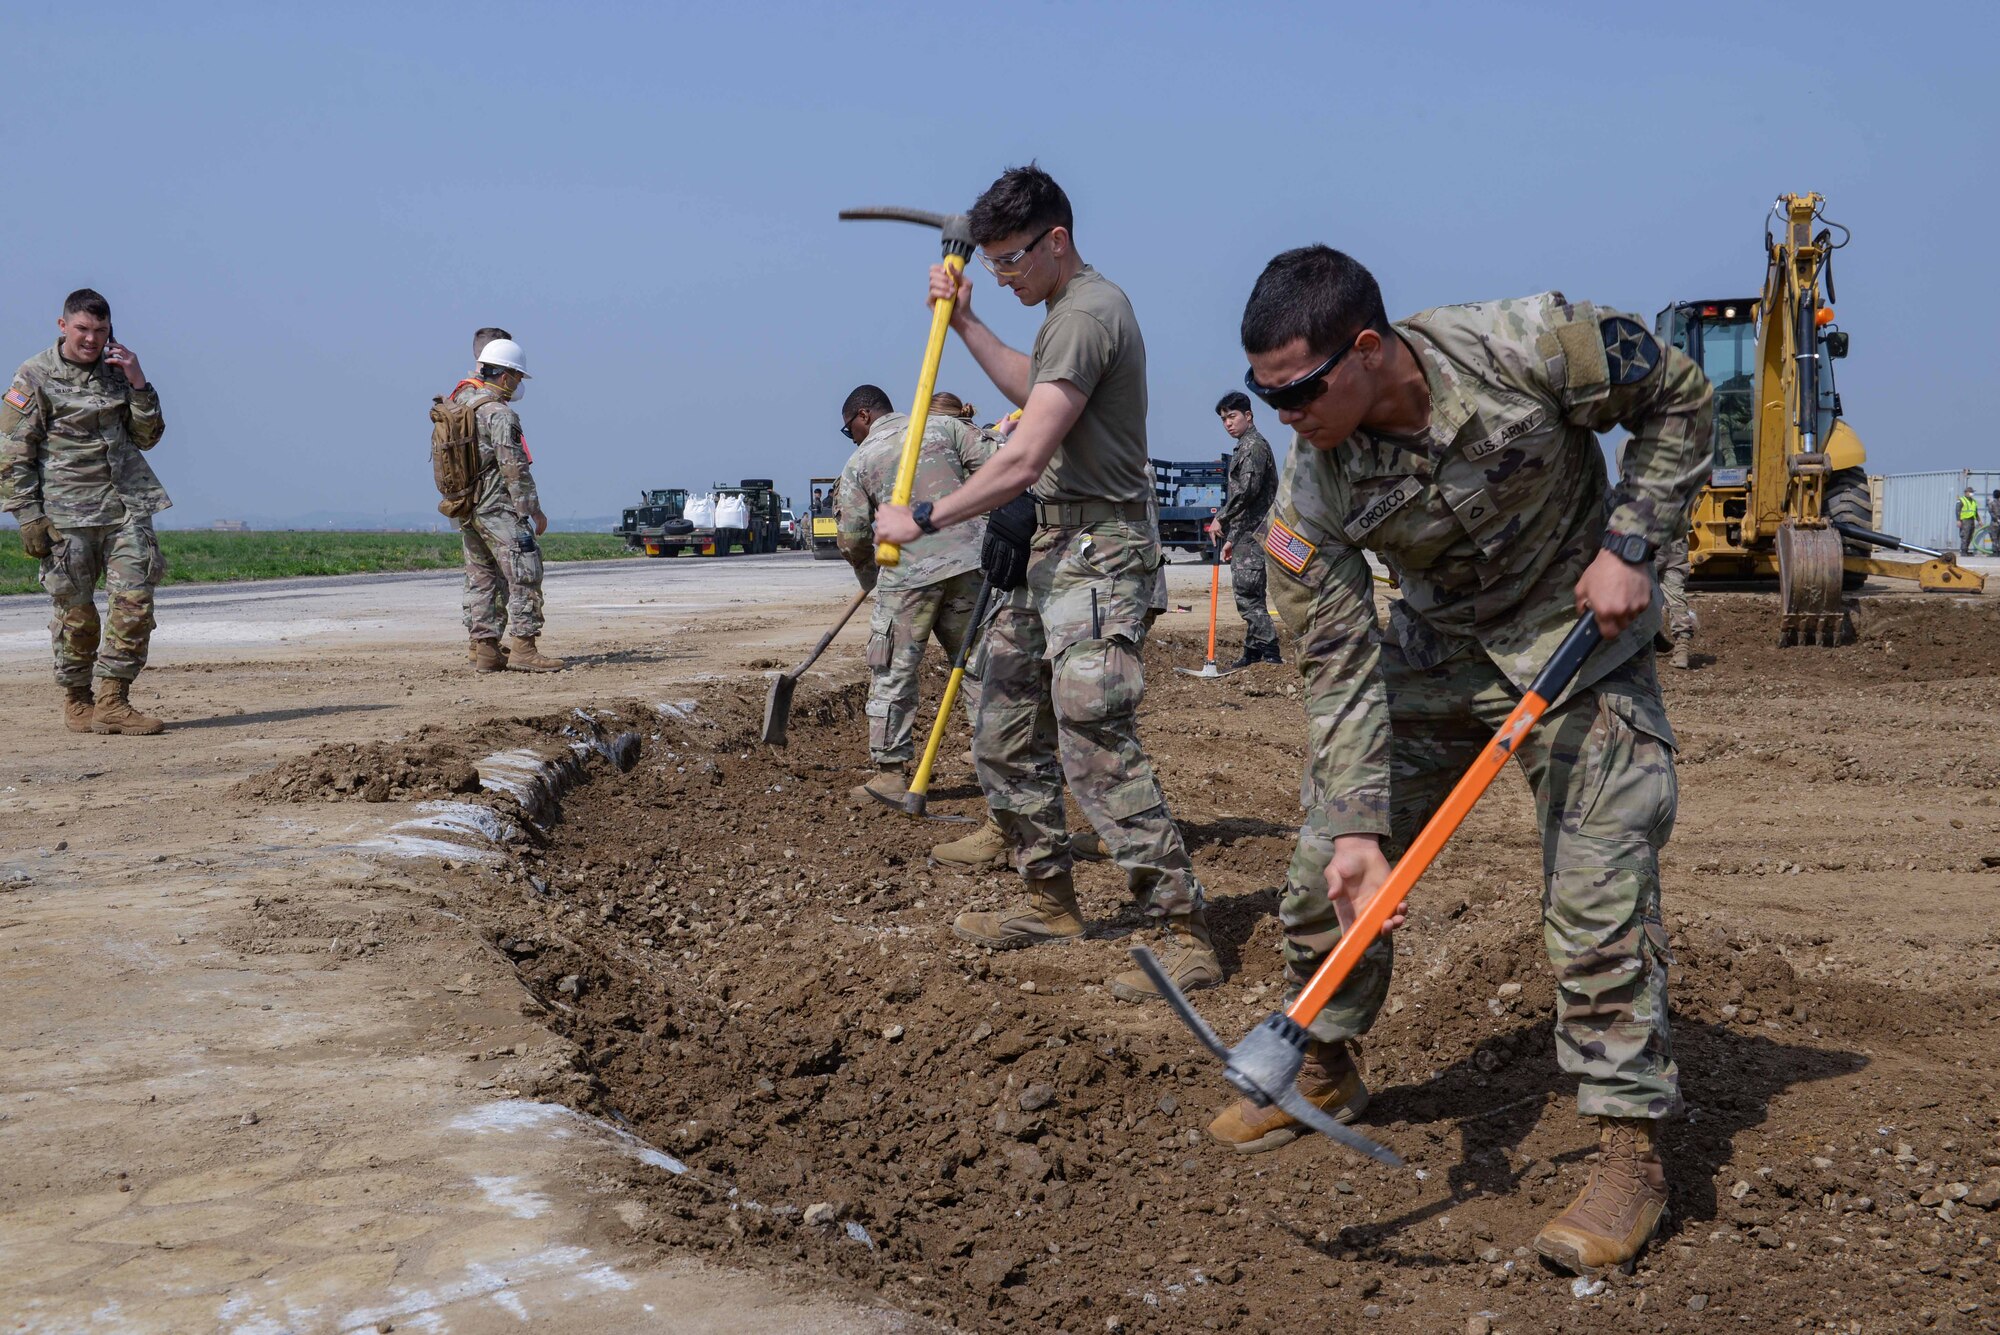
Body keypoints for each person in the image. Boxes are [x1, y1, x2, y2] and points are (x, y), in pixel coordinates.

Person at [1208, 246, 1712, 1277]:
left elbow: (1678, 394)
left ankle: (1628, 1154)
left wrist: (1632, 540)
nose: (1283, 412)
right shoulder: (1312, 492)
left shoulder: (1526, 345)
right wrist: (1356, 829)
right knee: (1318, 873)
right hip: (1437, 656)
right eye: (1266, 395)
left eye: (1297, 390)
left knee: (1594, 891)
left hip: (1578, 646)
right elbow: (1338, 665)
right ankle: (1329, 1063)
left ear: (1364, 351)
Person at [871, 163, 1218, 1001]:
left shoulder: (1094, 310)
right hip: (1054, 548)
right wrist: (965, 321)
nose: (1003, 273)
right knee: (1001, 723)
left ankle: (1183, 927)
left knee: (1092, 734)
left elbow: (1026, 453)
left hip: (1100, 550)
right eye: (989, 263)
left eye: (1011, 260)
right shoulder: (1062, 315)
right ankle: (1049, 898)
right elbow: (1034, 393)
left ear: (1056, 240)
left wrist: (922, 517)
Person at [2, 289, 171, 735]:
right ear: (63, 326)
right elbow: (12, 451)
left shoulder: (118, 372)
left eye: (100, 330)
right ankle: (78, 700)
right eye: (82, 329)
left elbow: (148, 436)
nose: (91, 339)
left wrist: (137, 381)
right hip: (65, 515)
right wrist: (27, 515)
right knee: (76, 615)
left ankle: (114, 699)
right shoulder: (34, 375)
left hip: (125, 506)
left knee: (134, 601)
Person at [834, 384, 996, 806]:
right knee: (980, 666)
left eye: (848, 427)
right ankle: (997, 761)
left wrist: (871, 579)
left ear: (864, 416)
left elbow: (852, 538)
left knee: (893, 671)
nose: (851, 435)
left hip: (907, 578)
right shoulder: (945, 427)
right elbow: (1000, 468)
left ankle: (890, 774)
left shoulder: (860, 460)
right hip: (969, 565)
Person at [448, 338, 564, 672]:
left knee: (482, 577)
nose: (516, 384)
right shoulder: (498, 413)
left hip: (467, 506)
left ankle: (485, 650)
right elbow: (514, 468)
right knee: (526, 571)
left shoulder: (460, 402)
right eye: (516, 377)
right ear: (506, 376)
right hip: (497, 507)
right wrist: (533, 511)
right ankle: (524, 649)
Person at [1208, 391, 1281, 667]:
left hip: (1256, 534)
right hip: (1246, 534)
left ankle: (1270, 649)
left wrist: (1222, 519)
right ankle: (1253, 652)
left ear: (1248, 416)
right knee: (1251, 592)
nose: (1228, 423)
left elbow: (1248, 491)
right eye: (1224, 419)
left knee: (1247, 595)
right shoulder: (1245, 446)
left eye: (1232, 416)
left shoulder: (1253, 447)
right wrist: (1232, 538)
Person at [1656, 534, 1694, 668]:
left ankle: (1640, 644)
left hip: (1648, 542)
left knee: (1635, 593)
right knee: (1676, 598)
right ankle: (1682, 650)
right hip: (1675, 545)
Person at [1959, 487, 1979, 555]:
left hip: (1971, 520)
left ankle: (1966, 550)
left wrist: (1979, 520)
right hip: (1965, 520)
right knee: (1965, 535)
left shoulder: (1973, 501)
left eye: (1972, 492)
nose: (1972, 493)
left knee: (1970, 535)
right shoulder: (1961, 500)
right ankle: (1963, 551)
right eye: (1970, 492)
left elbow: (1975, 512)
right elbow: (1957, 511)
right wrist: (1958, 520)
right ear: (1966, 492)